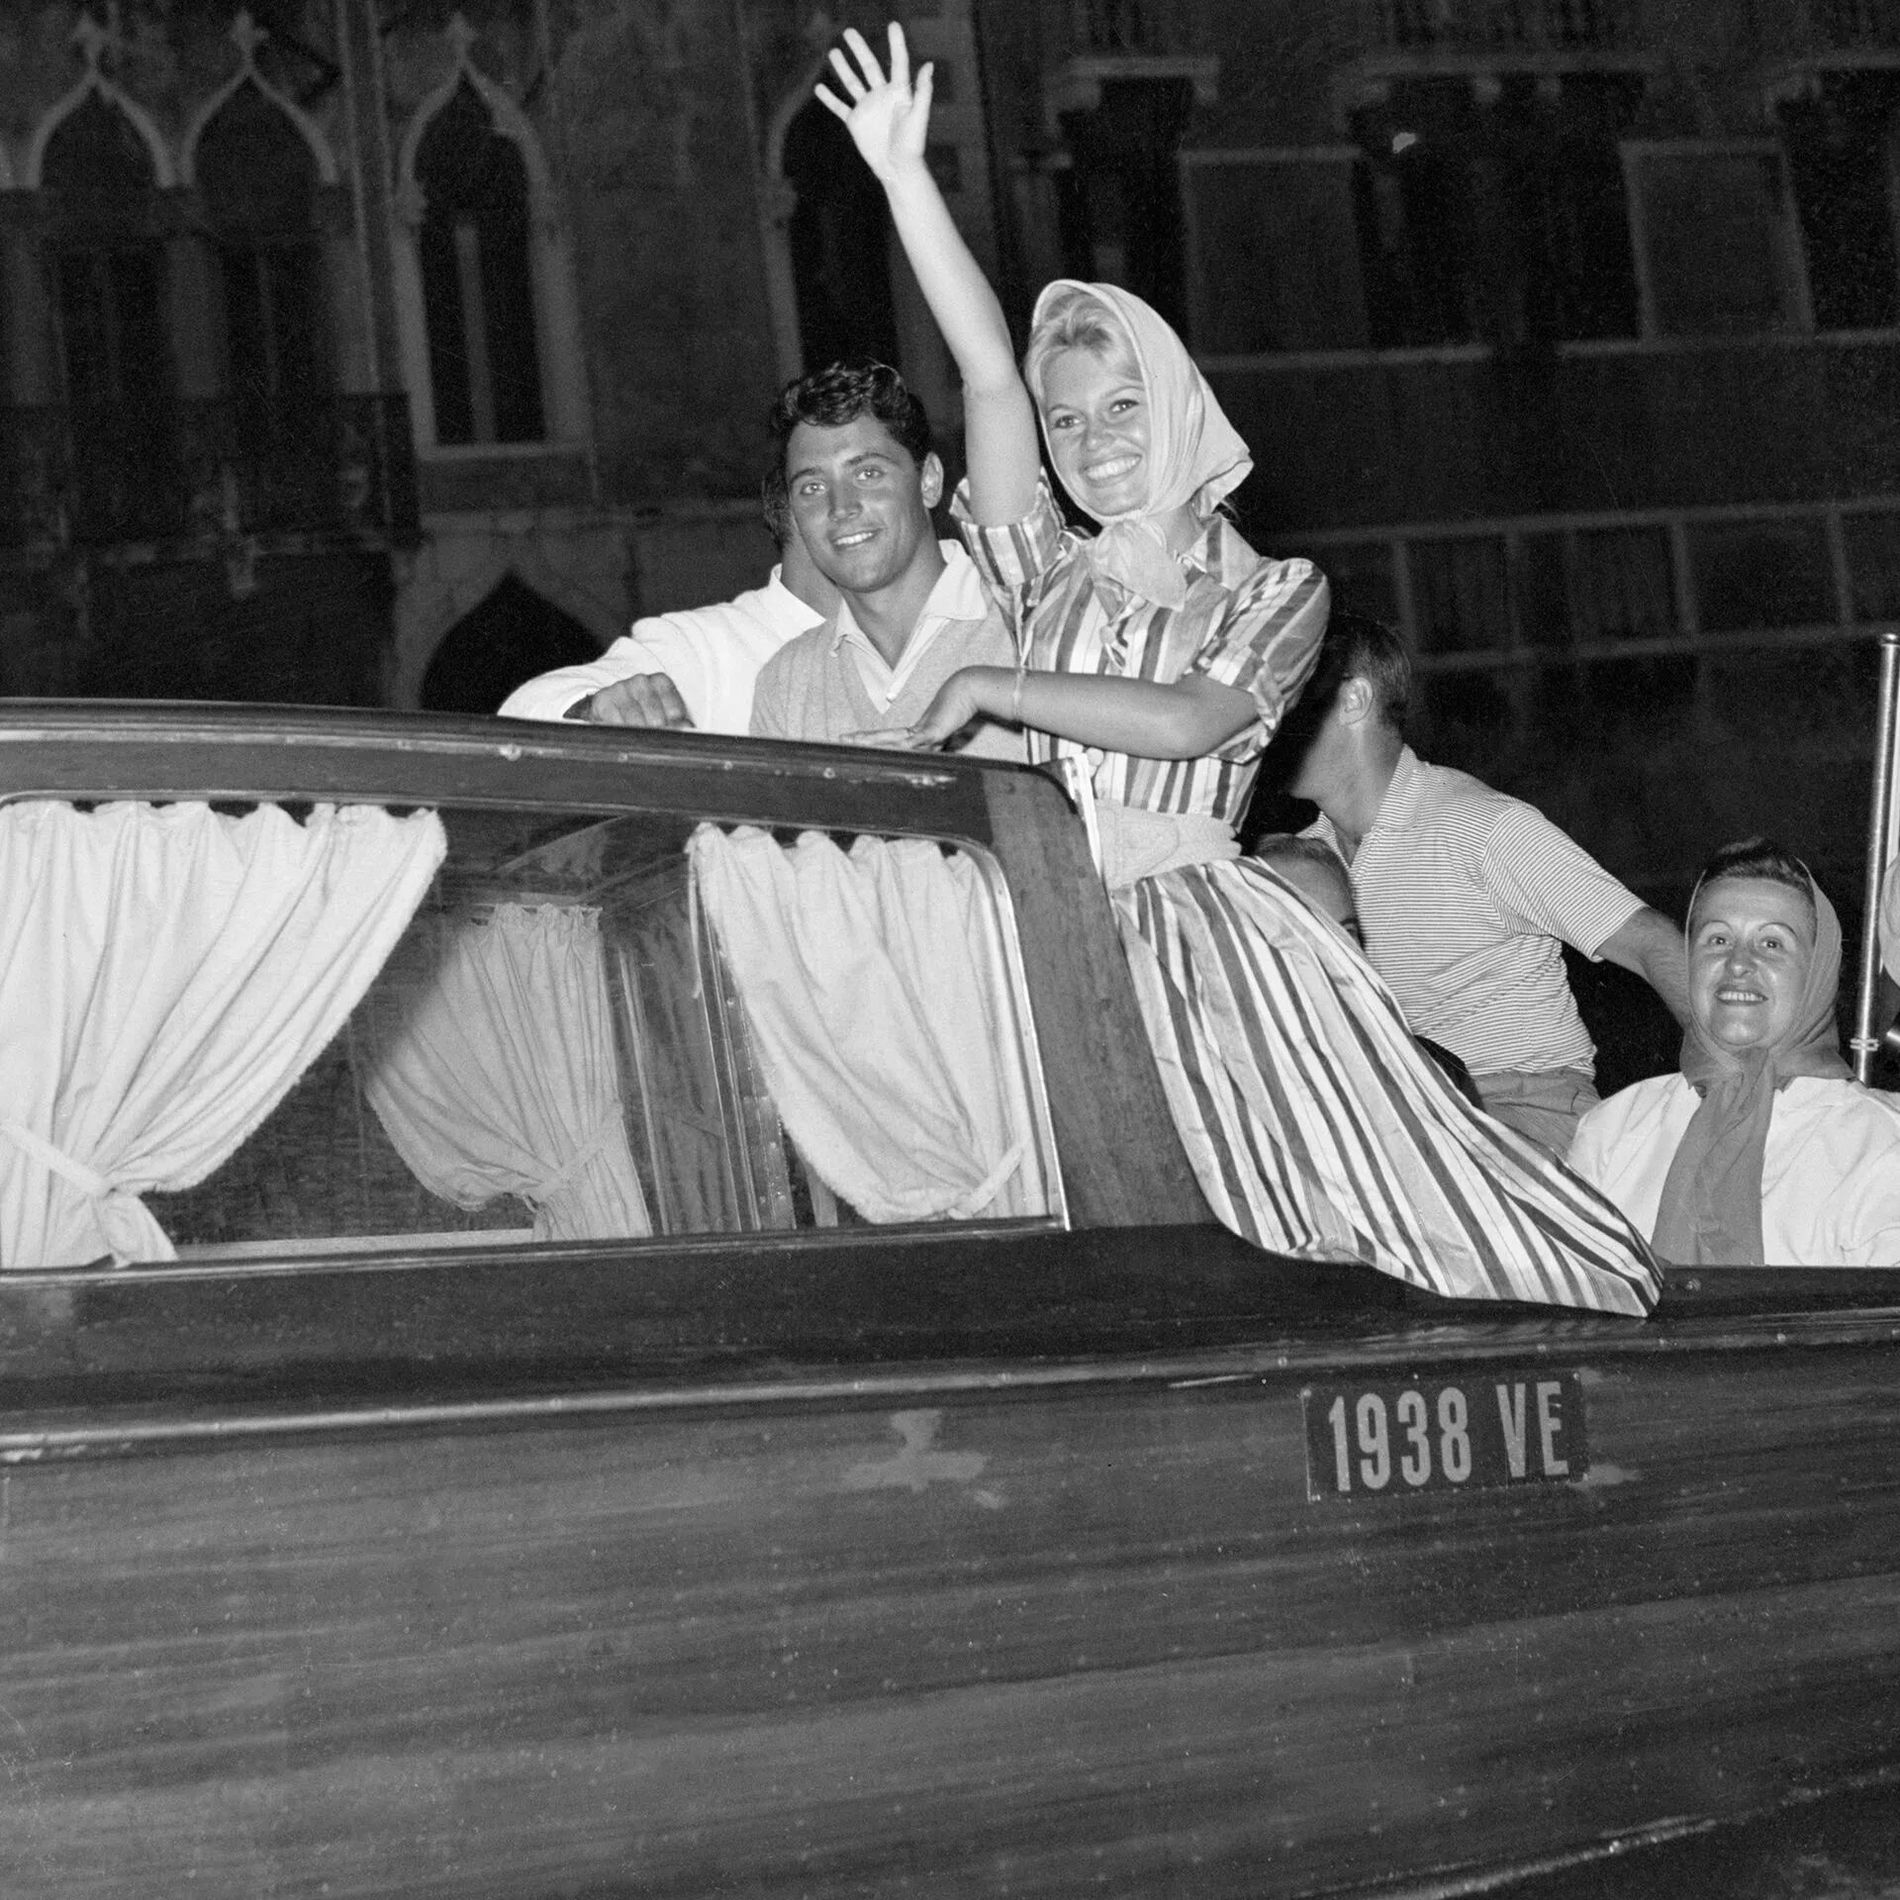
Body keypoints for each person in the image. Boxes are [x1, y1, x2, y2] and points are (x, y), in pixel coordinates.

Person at [814, 23, 1661, 1315]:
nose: (1089, 444)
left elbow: (1198, 721)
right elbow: (986, 368)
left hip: (1206, 938)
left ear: (1178, 405)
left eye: (1121, 410)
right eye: (1070, 421)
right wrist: (904, 180)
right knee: (1087, 1258)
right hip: (1056, 929)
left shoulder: (1274, 592)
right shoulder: (1044, 568)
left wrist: (997, 690)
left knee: (1305, 1234)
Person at [1282, 610, 1688, 1154]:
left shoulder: (1479, 827)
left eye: (1284, 694)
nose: (1261, 720)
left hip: (1522, 1111)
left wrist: (1733, 1093)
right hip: (1402, 1115)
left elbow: (1652, 942)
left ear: (1353, 700)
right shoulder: (1303, 863)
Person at [1570, 839, 1900, 1265]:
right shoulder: (1614, 1128)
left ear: (1818, 970)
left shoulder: (1878, 1144)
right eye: (1718, 939)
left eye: (1771, 944)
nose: (1738, 963)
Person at [748, 362, 1019, 757]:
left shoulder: (1023, 622)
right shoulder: (787, 683)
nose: (841, 507)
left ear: (929, 481)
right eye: (813, 487)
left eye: (868, 473)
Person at [496, 467, 840, 733]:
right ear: (789, 509)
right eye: (816, 485)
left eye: (873, 476)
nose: (852, 502)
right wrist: (596, 710)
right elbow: (526, 716)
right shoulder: (709, 649)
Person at [1253, 831, 1484, 1109]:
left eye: (1346, 933)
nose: (1334, 954)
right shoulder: (1216, 1082)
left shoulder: (1432, 1073)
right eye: (1302, 931)